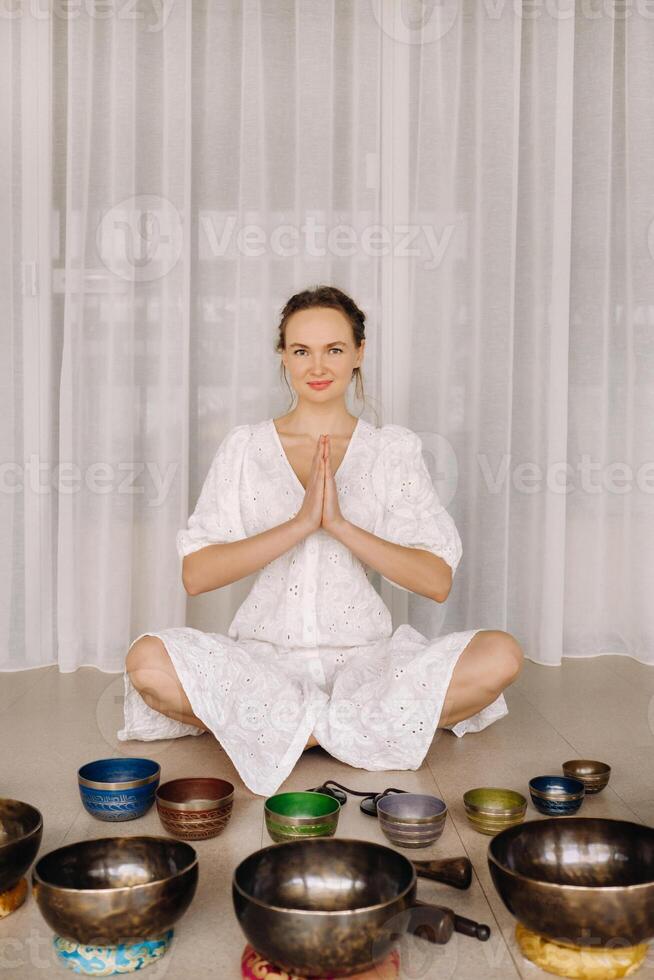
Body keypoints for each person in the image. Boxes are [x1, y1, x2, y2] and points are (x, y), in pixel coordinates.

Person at [118, 285, 524, 797]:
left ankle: (289, 733)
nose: (318, 365)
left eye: (334, 349)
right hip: (263, 665)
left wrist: (340, 525)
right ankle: (353, 732)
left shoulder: (391, 451)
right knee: (147, 661)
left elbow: (436, 581)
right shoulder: (245, 448)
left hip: (367, 666)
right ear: (282, 356)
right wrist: (299, 523)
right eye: (301, 350)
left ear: (358, 353)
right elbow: (197, 575)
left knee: (501, 654)